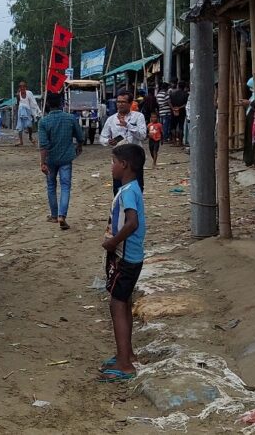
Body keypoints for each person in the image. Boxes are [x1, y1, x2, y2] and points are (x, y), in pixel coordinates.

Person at [98, 143, 146, 382]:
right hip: (132, 256)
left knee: (117, 305)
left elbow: (132, 222)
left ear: (124, 165)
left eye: (113, 162)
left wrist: (112, 242)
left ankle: (124, 364)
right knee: (124, 302)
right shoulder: (132, 188)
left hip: (125, 257)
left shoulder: (127, 192)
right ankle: (126, 354)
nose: (111, 166)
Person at [38, 92, 85, 230]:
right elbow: (80, 136)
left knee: (51, 186)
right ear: (61, 103)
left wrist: (42, 163)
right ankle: (62, 216)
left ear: (47, 104)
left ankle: (54, 215)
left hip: (50, 158)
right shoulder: (70, 118)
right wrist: (79, 146)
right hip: (66, 158)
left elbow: (43, 146)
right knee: (65, 186)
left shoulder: (44, 122)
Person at [100, 90, 147, 195]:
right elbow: (102, 138)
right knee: (118, 189)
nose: (120, 104)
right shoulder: (111, 120)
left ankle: (135, 209)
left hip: (135, 159)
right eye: (118, 102)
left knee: (137, 187)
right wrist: (108, 141)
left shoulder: (138, 117)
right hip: (118, 161)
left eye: (123, 102)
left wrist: (128, 125)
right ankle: (120, 210)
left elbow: (143, 135)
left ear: (130, 104)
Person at [15, 82, 40, 146]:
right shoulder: (18, 95)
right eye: (21, 87)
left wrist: (34, 112)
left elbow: (33, 103)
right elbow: (17, 104)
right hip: (21, 111)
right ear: (19, 88)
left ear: (26, 87)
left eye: (23, 86)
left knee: (29, 125)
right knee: (20, 126)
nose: (22, 88)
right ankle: (21, 141)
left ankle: (30, 137)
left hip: (28, 111)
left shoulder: (29, 93)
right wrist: (17, 112)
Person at [168, 80, 189, 146]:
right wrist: (179, 108)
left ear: (178, 85)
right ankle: (180, 142)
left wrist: (173, 108)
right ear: (184, 87)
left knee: (173, 126)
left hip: (173, 111)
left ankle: (174, 141)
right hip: (182, 111)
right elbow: (186, 104)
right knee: (181, 126)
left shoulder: (172, 93)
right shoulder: (186, 94)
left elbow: (169, 102)